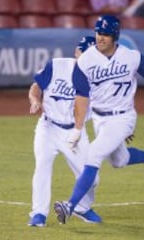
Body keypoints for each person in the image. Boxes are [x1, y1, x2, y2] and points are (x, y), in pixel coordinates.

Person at [54, 15, 144, 224]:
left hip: (123, 117)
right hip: (100, 118)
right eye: (98, 32)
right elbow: (82, 97)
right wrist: (78, 130)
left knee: (94, 154)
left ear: (115, 35)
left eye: (106, 34)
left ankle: (70, 206)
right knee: (119, 160)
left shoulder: (131, 57)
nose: (100, 37)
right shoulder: (85, 61)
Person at [27, 36, 102, 227]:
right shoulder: (57, 65)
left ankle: (82, 208)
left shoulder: (98, 79)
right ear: (77, 52)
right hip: (48, 127)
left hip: (75, 132)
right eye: (84, 53)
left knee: (92, 178)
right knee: (42, 167)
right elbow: (36, 87)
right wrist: (35, 101)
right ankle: (38, 214)